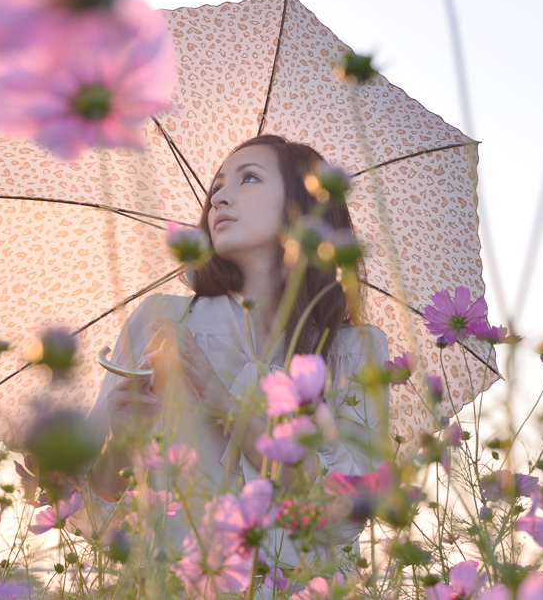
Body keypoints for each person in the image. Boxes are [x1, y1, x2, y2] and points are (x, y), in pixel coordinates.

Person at [81, 134, 391, 564]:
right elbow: (96, 519)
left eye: (249, 178)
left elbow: (345, 518)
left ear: (303, 207)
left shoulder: (354, 350)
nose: (219, 198)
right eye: (217, 187)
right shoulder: (163, 322)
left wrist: (224, 401)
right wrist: (119, 439)